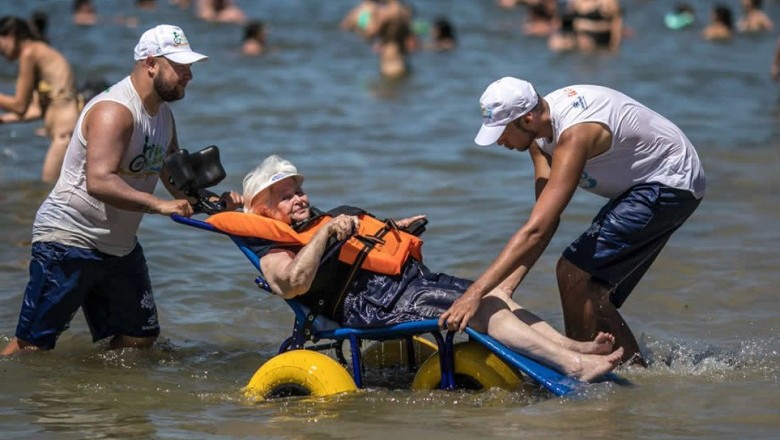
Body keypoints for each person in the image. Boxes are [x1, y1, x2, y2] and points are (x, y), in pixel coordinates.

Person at [227, 154, 624, 382]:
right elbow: (292, 285)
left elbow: (358, 247)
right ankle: (573, 366)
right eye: (285, 196)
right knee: (480, 309)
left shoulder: (314, 221)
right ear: (264, 212)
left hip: (407, 284)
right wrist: (326, 233)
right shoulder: (274, 247)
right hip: (369, 306)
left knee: (494, 293)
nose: (298, 199)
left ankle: (571, 346)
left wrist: (394, 229)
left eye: (298, 190)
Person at [1, 24, 240, 356]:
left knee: (138, 339)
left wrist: (214, 203)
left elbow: (175, 180)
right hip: (69, 239)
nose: (189, 76)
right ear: (151, 63)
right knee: (32, 347)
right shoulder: (114, 111)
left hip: (119, 247)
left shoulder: (165, 117)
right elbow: (98, 181)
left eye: (189, 67)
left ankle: (98, 396)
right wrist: (159, 206)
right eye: (180, 67)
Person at [440, 77, 706, 366]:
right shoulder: (539, 139)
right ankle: (636, 375)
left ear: (527, 119)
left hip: (671, 180)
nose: (500, 142)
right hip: (642, 186)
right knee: (589, 291)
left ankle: (585, 368)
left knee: (574, 274)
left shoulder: (575, 135)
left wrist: (474, 294)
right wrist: (506, 287)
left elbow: (536, 230)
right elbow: (545, 219)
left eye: (501, 133)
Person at [0, 16, 80, 183]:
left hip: (64, 135)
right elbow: (36, 110)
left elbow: (19, 105)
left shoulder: (29, 53)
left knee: (46, 190)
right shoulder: (40, 53)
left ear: (12, 35)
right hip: (68, 133)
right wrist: (4, 119)